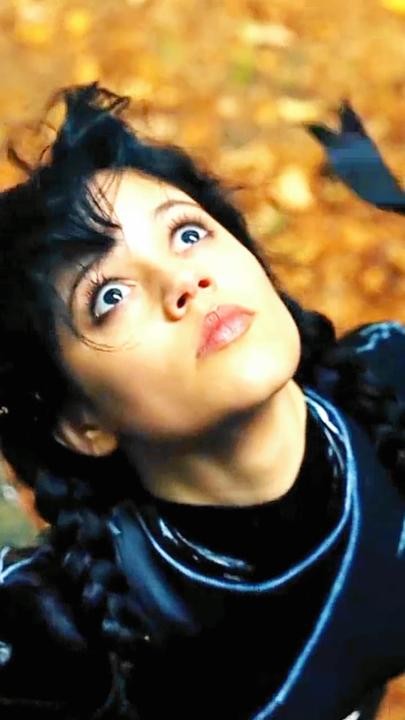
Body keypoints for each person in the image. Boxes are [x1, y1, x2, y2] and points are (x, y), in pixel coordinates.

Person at [0, 82, 404, 720]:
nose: (184, 279)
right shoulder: (54, 639)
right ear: (82, 423)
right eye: (109, 296)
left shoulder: (392, 379)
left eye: (187, 234)